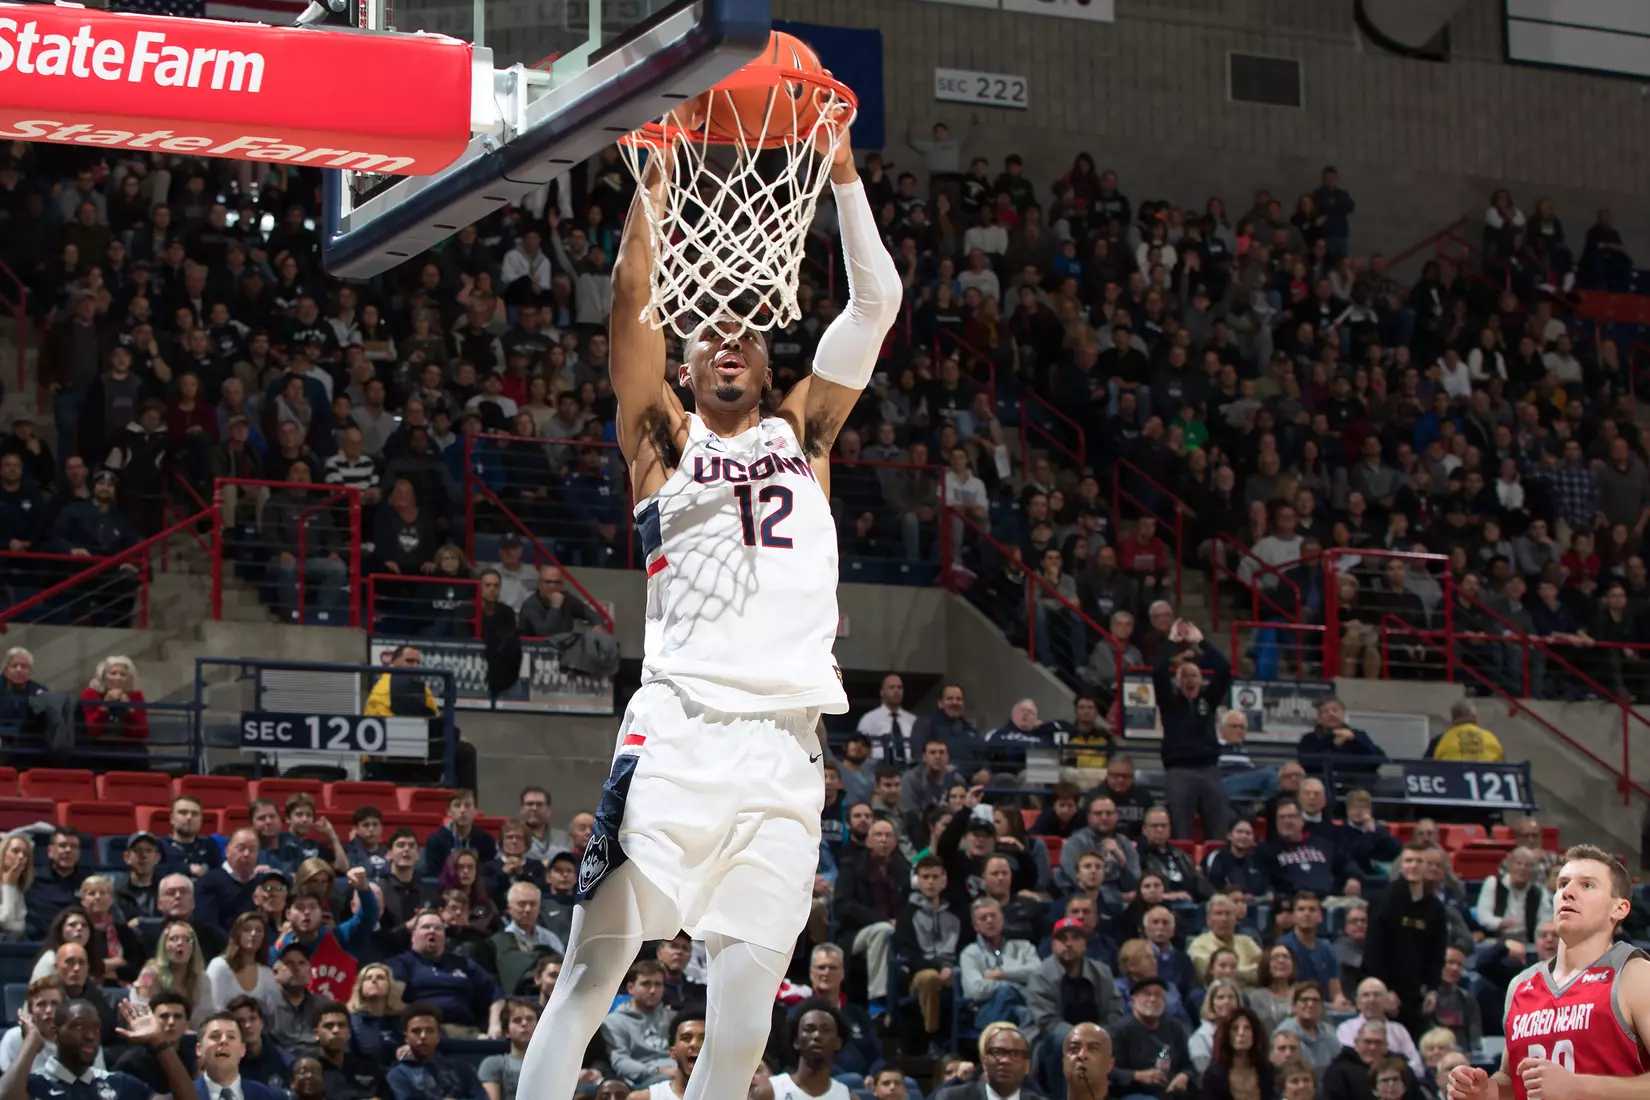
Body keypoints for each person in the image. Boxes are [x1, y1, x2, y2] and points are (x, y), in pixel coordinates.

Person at [518, 127, 899, 1100]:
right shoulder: (660, 437)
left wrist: (844, 175)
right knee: (592, 972)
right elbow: (624, 318)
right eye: (708, 330)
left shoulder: (806, 431)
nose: (730, 338)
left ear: (769, 361)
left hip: (784, 751)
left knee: (739, 1034)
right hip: (680, 732)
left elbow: (876, 304)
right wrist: (653, 183)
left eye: (749, 331)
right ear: (683, 363)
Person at [1448, 845, 1650, 1100]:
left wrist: (1579, 1089)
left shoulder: (1636, 976)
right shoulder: (1521, 985)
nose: (1568, 893)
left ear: (1619, 908)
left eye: (1586, 885)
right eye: (1563, 884)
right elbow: (1512, 1080)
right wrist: (1487, 1091)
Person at [0, 999, 197, 1100]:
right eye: (78, 1026)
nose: (90, 1036)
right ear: (55, 1033)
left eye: (96, 1029)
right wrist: (32, 1043)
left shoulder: (118, 1084)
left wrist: (160, 1043)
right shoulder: (35, 1084)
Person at [1150, 622, 1232, 839]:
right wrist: (1171, 642)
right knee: (1180, 829)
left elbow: (1224, 669)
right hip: (1179, 771)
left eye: (1194, 675)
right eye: (1184, 676)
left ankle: (1214, 866)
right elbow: (1158, 671)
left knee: (1219, 830)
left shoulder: (1208, 700)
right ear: (1177, 681)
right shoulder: (1169, 702)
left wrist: (1200, 641)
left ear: (1201, 680)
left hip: (1209, 769)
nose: (1189, 680)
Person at [1362, 846, 1445, 1040]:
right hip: (1389, 993)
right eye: (1409, 861)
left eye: (1419, 861)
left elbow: (1437, 953)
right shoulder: (1384, 901)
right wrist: (1384, 990)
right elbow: (1374, 951)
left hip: (1418, 996)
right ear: (1401, 866)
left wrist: (1432, 989)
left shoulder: (1435, 908)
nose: (1413, 866)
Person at [1107, 977, 1194, 1100]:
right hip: (1133, 1093)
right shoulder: (1119, 1030)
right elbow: (1108, 1071)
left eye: (1158, 995)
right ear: (1133, 1000)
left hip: (1171, 1091)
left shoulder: (1174, 1027)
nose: (1152, 999)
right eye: (1147, 994)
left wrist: (1184, 1076)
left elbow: (1188, 1065)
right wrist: (1136, 1076)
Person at [386, 1002, 487, 1100]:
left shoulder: (461, 1068)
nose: (423, 1036)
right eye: (416, 1031)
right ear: (406, 1038)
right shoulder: (399, 1075)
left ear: (438, 1036)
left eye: (429, 1030)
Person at [931, 1024, 1041, 1100]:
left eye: (1015, 1054)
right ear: (985, 1062)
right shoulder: (952, 1098)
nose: (1005, 1060)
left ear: (1027, 1066)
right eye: (998, 1052)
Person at [194, 1010, 285, 1100]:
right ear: (199, 1049)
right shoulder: (183, 1094)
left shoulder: (270, 1097)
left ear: (242, 1050)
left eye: (231, 1037)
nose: (223, 1041)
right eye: (215, 1036)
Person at [769, 1002, 851, 1100]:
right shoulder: (771, 1091)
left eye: (826, 1030)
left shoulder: (847, 1097)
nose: (817, 1036)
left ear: (838, 1042)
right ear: (796, 1041)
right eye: (809, 1029)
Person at [625, 1009, 701, 1100]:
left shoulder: (722, 1094)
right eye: (686, 1038)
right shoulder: (643, 1098)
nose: (694, 1044)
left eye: (703, 1038)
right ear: (672, 1052)